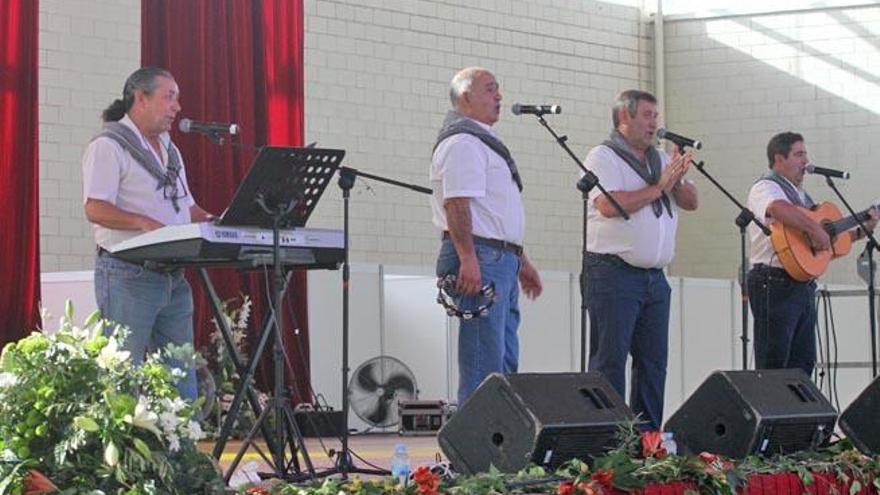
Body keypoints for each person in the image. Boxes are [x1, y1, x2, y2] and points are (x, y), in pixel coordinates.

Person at [82, 67, 214, 401]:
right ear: (140, 98)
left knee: (180, 373)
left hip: (172, 275)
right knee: (123, 374)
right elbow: (95, 208)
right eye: (169, 97)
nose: (177, 107)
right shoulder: (108, 146)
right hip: (128, 274)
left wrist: (218, 220)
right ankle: (123, 453)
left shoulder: (170, 150)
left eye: (177, 98)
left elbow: (188, 208)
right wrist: (143, 222)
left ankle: (183, 450)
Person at [583, 90, 698, 430]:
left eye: (656, 116)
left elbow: (691, 202)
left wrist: (676, 177)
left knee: (653, 363)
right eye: (647, 116)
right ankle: (608, 438)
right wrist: (660, 187)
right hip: (613, 273)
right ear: (624, 119)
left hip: (654, 278)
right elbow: (608, 205)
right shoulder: (604, 156)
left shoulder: (661, 159)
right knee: (610, 361)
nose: (654, 124)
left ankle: (647, 440)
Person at [430, 67, 543, 405]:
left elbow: (491, 213)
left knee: (503, 360)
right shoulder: (463, 141)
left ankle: (499, 444)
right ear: (465, 96)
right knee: (484, 362)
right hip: (480, 256)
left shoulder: (480, 140)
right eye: (490, 90)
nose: (499, 97)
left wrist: (521, 262)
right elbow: (458, 204)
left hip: (499, 257)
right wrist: (468, 258)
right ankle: (475, 453)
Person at [747, 131, 878, 375]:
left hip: (801, 285)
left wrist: (863, 230)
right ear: (779, 159)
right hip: (772, 282)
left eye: (805, 154)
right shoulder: (766, 186)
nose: (806, 162)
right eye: (799, 154)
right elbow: (777, 208)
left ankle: (800, 413)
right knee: (774, 365)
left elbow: (827, 244)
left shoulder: (803, 198)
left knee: (802, 366)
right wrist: (813, 228)